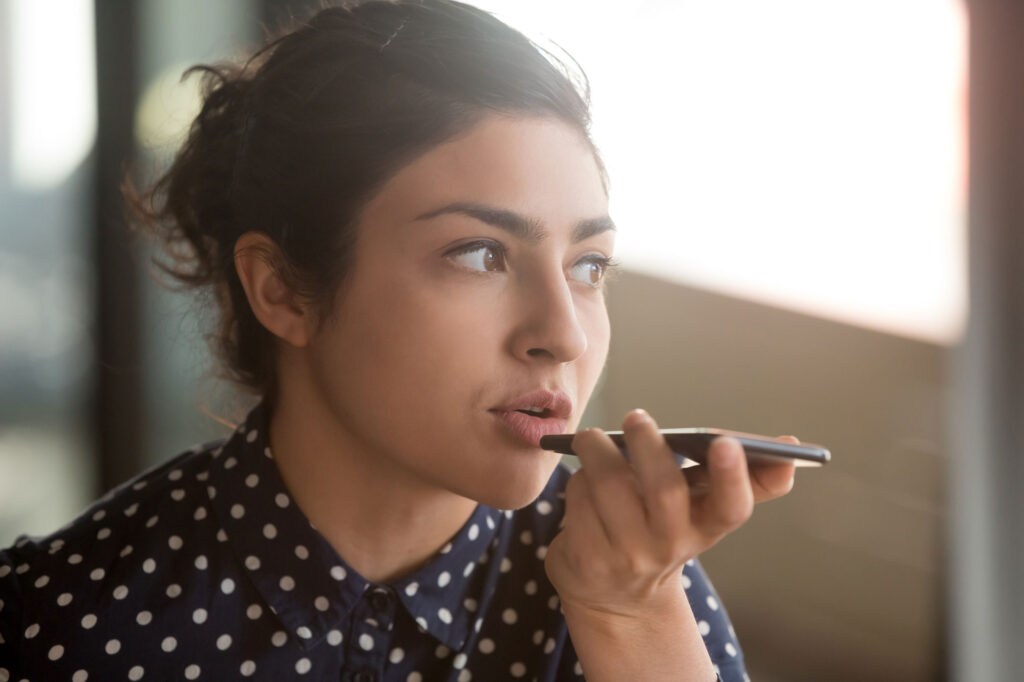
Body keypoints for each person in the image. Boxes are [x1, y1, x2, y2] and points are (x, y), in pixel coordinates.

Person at [0, 1, 797, 680]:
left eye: (589, 265)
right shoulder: (58, 628)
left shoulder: (636, 575)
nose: (561, 333)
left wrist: (632, 616)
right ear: (282, 290)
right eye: (480, 254)